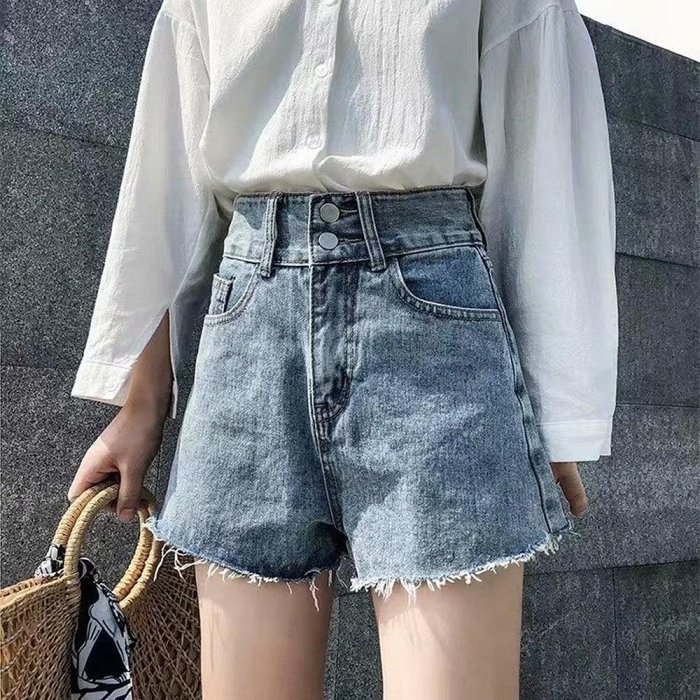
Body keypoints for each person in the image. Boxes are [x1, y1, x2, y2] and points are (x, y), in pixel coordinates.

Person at [67, 0, 618, 697]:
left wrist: (556, 417)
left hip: (434, 336)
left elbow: (545, 157)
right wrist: (141, 406)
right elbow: (169, 175)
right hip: (249, 334)